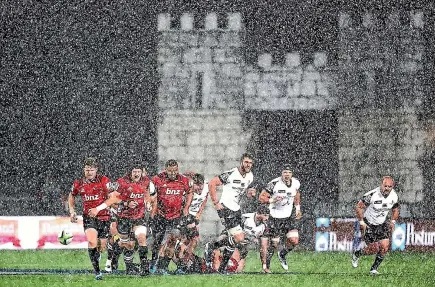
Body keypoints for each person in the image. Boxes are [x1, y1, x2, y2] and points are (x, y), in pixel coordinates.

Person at [68, 157, 119, 280]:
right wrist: (72, 211)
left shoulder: (104, 180)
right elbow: (71, 195)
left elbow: (113, 198)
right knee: (92, 241)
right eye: (86, 170)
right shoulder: (79, 183)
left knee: (102, 246)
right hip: (88, 217)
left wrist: (98, 209)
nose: (89, 172)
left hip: (104, 217)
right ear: (83, 170)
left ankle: (98, 254)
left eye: (91, 170)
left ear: (96, 170)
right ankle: (97, 272)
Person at [204, 153, 254, 273]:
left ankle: (214, 250)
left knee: (235, 239)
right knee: (238, 237)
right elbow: (212, 183)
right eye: (246, 162)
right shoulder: (231, 174)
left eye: (250, 163)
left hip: (236, 209)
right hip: (226, 208)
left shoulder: (250, 176)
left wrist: (249, 194)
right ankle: (216, 254)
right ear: (241, 162)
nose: (248, 165)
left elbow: (242, 191)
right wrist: (216, 203)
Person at [107, 164, 154, 276]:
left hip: (139, 217)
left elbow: (146, 193)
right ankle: (115, 257)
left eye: (139, 171)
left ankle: (144, 266)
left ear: (142, 172)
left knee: (141, 239)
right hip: (124, 217)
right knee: (127, 245)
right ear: (130, 172)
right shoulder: (122, 182)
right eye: (134, 172)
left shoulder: (146, 181)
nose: (137, 174)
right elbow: (111, 199)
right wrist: (126, 203)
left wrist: (147, 203)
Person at [150, 159, 193, 274]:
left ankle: (163, 267)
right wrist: (152, 208)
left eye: (175, 171)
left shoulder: (183, 180)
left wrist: (186, 207)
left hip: (176, 216)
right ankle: (154, 265)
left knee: (173, 240)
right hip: (161, 215)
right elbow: (149, 194)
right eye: (170, 171)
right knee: (158, 242)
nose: (173, 174)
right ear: (165, 170)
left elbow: (190, 192)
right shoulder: (157, 179)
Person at [351, 176, 399, 275]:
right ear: (381, 185)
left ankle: (373, 269)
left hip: (381, 224)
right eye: (385, 186)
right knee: (373, 249)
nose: (387, 188)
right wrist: (361, 222)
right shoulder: (372, 195)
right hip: (368, 223)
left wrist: (393, 221)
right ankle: (357, 254)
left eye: (389, 186)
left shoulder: (394, 196)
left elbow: (395, 210)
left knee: (385, 247)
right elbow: (358, 207)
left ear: (392, 187)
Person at [259, 165, 302, 273]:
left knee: (294, 241)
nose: (286, 174)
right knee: (274, 244)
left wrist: (297, 208)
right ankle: (266, 267)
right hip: (275, 218)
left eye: (289, 172)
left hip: (288, 217)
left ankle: (282, 254)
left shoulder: (296, 183)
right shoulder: (274, 184)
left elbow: (296, 193)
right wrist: (271, 201)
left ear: (292, 174)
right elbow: (261, 197)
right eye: (284, 172)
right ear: (281, 174)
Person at [174, 173, 207, 273]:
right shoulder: (187, 191)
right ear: (193, 184)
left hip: (192, 217)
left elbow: (205, 199)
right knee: (188, 241)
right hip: (183, 217)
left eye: (201, 187)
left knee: (191, 241)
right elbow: (183, 208)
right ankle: (183, 264)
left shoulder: (206, 187)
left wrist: (199, 214)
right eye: (197, 187)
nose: (199, 190)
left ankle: (185, 263)